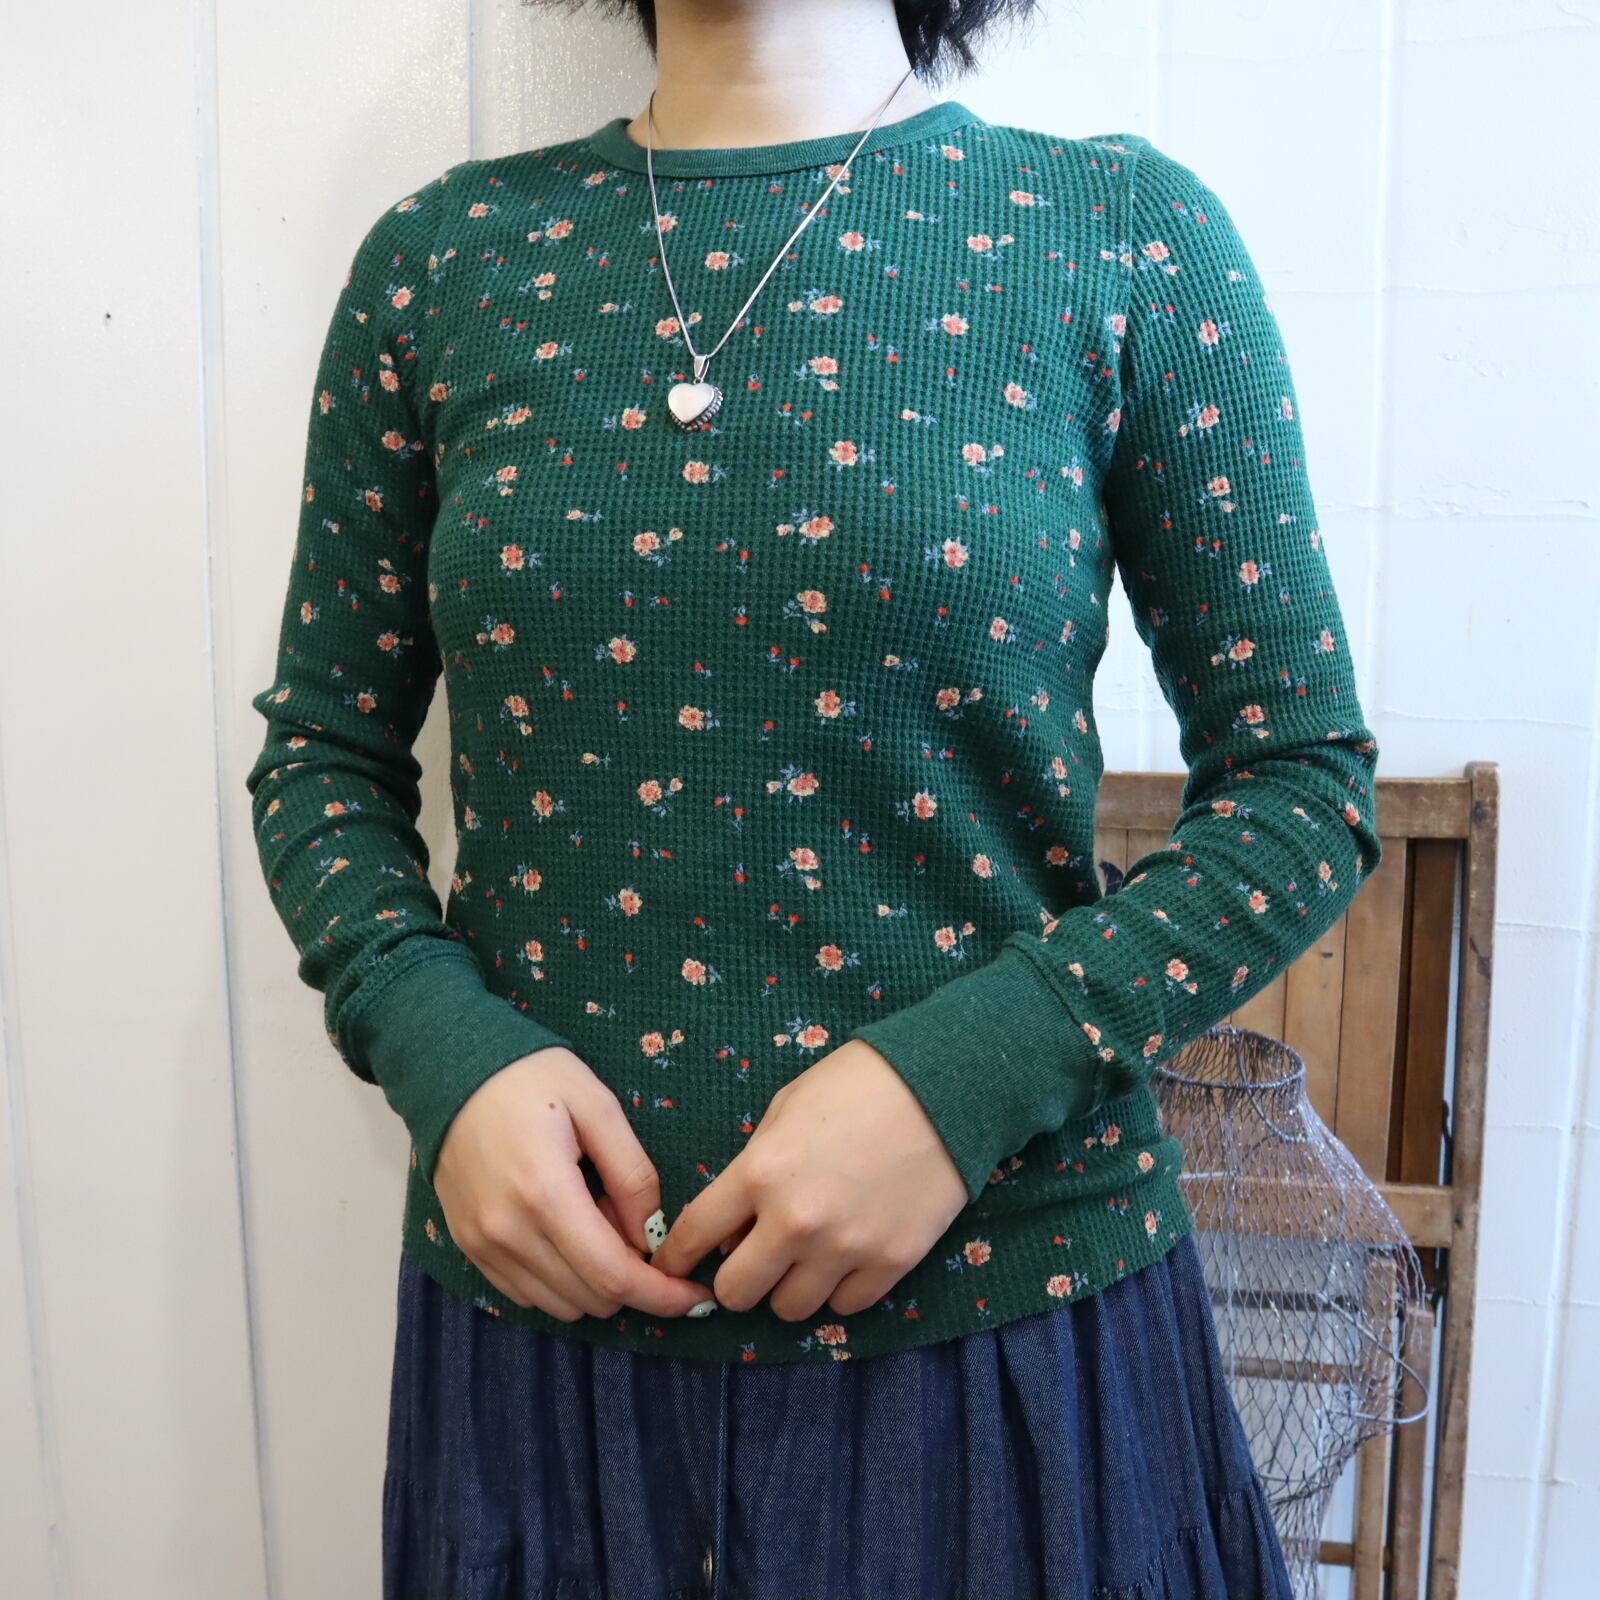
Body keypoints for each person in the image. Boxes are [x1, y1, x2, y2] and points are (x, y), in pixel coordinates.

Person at [243, 1, 1383, 1594]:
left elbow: (1298, 785)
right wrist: (441, 1049)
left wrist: (963, 1080)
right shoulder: (445, 262)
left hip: (1007, 1336)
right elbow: (322, 756)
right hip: (548, 1358)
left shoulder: (1116, 233)